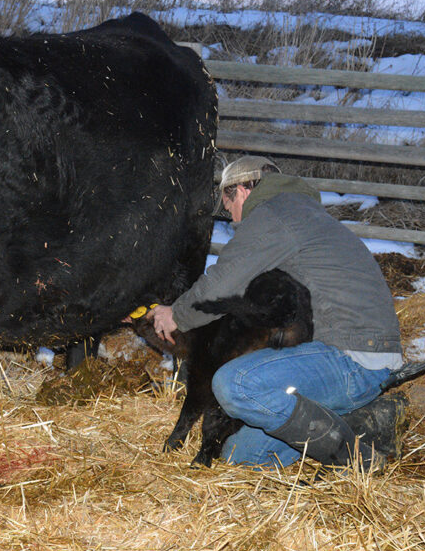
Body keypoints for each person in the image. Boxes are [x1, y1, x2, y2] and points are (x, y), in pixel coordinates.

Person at [150, 155, 406, 471]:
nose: (230, 218)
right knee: (240, 456)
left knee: (234, 383)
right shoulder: (302, 214)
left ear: (242, 190)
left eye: (228, 206)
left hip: (353, 357)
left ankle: (353, 457)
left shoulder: (274, 215)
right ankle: (366, 422)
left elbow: (224, 281)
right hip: (359, 356)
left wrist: (177, 314)